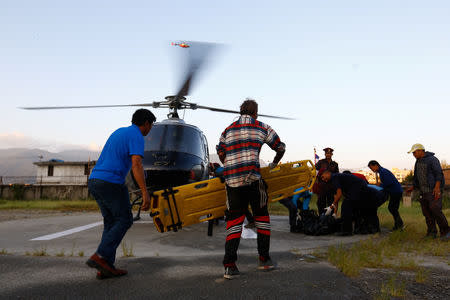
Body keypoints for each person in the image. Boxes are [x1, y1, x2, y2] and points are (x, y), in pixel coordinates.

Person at [216, 99, 285, 279]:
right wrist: (274, 163)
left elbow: (221, 152)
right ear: (255, 112)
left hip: (232, 183)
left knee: (234, 223)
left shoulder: (227, 130)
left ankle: (229, 266)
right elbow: (280, 147)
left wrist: (230, 167)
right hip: (253, 180)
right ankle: (264, 260)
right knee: (262, 219)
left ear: (241, 112)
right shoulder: (262, 127)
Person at [86, 109, 156, 279]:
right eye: (151, 125)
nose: (150, 129)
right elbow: (136, 164)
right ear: (146, 123)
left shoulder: (119, 132)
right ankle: (101, 255)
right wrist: (145, 194)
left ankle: (106, 266)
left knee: (111, 222)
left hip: (95, 180)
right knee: (125, 219)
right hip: (111, 182)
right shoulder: (137, 136)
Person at [405, 144, 449, 240]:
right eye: (413, 153)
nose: (413, 154)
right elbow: (417, 176)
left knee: (435, 209)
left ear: (421, 151)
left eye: (414, 152)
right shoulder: (417, 162)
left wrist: (437, 188)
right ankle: (431, 232)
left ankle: (446, 232)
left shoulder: (432, 159)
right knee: (427, 212)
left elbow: (439, 174)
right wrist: (413, 187)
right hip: (423, 192)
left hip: (433, 190)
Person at [320, 170, 368, 236]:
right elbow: (337, 195)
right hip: (362, 188)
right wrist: (334, 211)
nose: (324, 180)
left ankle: (347, 231)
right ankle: (360, 229)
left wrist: (331, 206)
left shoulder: (334, 177)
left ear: (328, 173)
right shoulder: (337, 177)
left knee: (345, 207)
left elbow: (339, 195)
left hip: (358, 188)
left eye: (323, 177)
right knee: (355, 208)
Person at [368, 160, 404, 231]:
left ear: (375, 165)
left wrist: (380, 185)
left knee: (392, 208)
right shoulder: (382, 171)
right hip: (395, 191)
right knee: (392, 208)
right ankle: (399, 225)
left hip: (395, 191)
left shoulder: (383, 172)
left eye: (371, 168)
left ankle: (399, 226)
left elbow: (389, 183)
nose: (372, 170)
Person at [315, 147, 339, 214]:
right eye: (327, 153)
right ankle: (321, 218)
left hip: (331, 186)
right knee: (320, 203)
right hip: (322, 185)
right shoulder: (320, 162)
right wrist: (316, 184)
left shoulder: (335, 164)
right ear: (325, 154)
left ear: (332, 154)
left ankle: (330, 219)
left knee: (331, 202)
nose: (328, 154)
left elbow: (337, 175)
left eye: (329, 153)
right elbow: (315, 173)